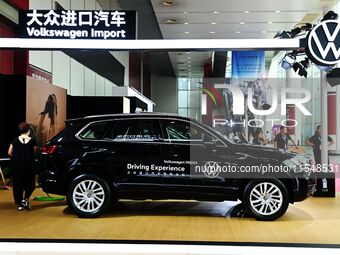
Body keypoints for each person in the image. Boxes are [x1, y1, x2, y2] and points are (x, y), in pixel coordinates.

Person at [8, 122, 37, 211]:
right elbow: (34, 152)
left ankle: (20, 204)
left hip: (17, 165)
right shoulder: (32, 141)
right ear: (28, 130)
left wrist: (17, 156)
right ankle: (26, 199)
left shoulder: (15, 140)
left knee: (17, 185)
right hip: (29, 165)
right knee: (31, 183)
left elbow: (9, 152)